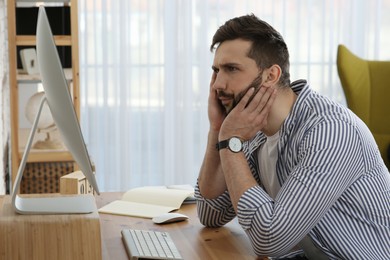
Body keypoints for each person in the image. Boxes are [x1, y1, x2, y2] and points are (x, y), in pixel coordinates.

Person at [195, 14, 390, 259]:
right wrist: (218, 129)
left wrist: (231, 143)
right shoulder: (254, 131)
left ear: (271, 76)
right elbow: (211, 213)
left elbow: (270, 241)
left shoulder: (329, 130)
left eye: (231, 69)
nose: (217, 85)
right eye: (216, 71)